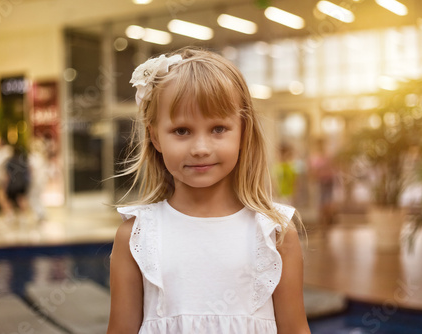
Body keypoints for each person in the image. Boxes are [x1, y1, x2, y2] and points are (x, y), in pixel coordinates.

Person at [107, 47, 311, 334]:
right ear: (155, 136)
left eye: (218, 129)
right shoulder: (137, 236)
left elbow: (295, 329)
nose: (200, 149)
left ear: (243, 130)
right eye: (181, 131)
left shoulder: (274, 234)